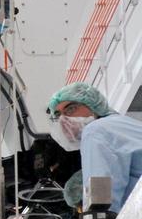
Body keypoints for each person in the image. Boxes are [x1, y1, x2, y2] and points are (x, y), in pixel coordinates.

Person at [47, 82, 142, 212]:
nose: (64, 119)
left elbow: (101, 187)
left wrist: (98, 217)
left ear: (93, 105)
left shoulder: (96, 130)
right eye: (58, 115)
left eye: (71, 109)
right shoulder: (122, 125)